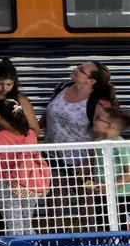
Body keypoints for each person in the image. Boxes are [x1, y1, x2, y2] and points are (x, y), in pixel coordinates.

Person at [41, 61, 118, 218]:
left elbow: (103, 135)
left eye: (81, 70)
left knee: (86, 201)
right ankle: (56, 238)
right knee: (55, 202)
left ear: (91, 81)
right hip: (53, 155)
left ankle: (89, 238)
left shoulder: (99, 103)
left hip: (81, 160)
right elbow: (46, 118)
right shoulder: (61, 88)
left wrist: (88, 161)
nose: (75, 69)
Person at [0, 99, 52, 236]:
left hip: (6, 184)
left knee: (13, 223)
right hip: (29, 182)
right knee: (27, 222)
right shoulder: (30, 134)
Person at [86, 107, 130, 229]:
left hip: (120, 196)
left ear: (111, 127)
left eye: (98, 119)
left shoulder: (120, 145)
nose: (94, 121)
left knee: (119, 227)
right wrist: (84, 169)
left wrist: (110, 187)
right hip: (102, 194)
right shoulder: (98, 141)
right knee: (103, 225)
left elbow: (128, 173)